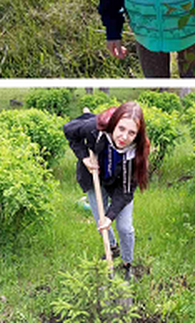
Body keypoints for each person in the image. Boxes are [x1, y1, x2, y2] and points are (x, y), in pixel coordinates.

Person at [63, 101, 150, 281]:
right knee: (100, 221)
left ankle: (127, 263)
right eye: (121, 129)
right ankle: (111, 247)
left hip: (119, 185)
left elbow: (125, 192)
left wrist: (111, 216)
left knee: (124, 227)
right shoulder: (94, 129)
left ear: (138, 135)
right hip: (94, 176)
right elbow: (69, 131)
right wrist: (85, 157)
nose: (124, 137)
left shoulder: (137, 153)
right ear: (114, 124)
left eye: (131, 132)